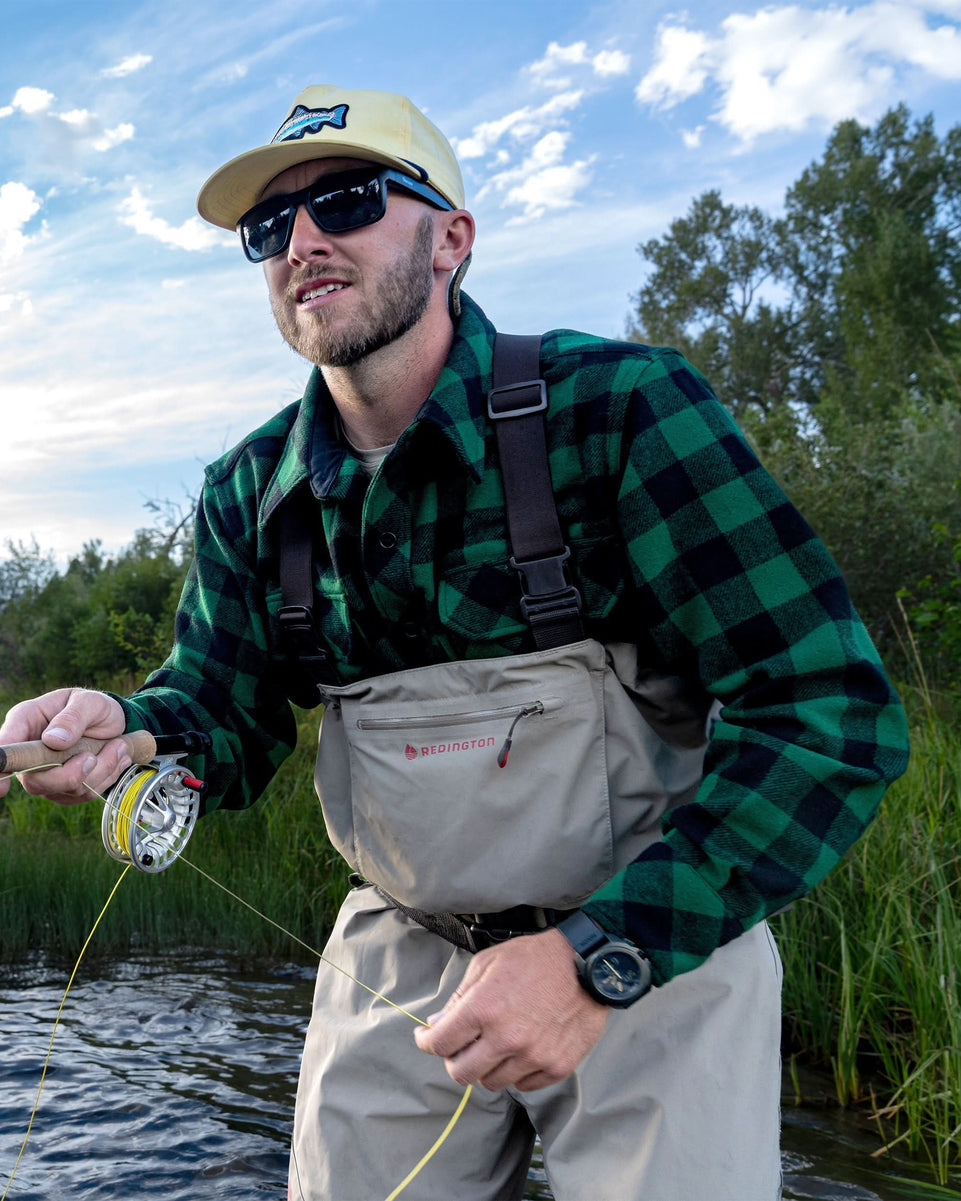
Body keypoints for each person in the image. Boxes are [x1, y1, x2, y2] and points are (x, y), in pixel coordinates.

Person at [0, 85, 909, 1201]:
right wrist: (131, 731)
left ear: (451, 239)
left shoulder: (622, 410)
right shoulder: (247, 491)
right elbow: (221, 718)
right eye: (269, 225)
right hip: (399, 953)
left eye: (346, 199)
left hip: (657, 944)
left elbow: (829, 713)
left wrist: (598, 955)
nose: (302, 240)